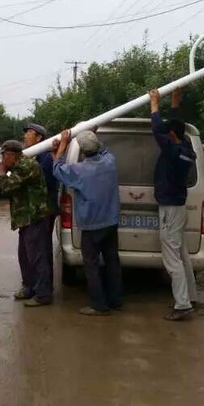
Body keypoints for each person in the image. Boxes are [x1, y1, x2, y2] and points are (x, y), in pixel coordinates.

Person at [52, 130, 122, 316]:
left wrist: (62, 146)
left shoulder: (79, 170)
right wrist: (94, 133)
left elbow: (57, 168)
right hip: (110, 222)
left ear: (82, 151)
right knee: (112, 262)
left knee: (91, 266)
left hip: (91, 226)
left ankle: (99, 305)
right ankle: (115, 300)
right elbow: (104, 150)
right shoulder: (110, 162)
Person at [149, 88, 198, 321]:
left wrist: (154, 104)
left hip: (170, 209)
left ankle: (182, 305)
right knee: (182, 254)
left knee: (172, 258)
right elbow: (175, 124)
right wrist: (175, 101)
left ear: (171, 136)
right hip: (178, 208)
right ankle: (191, 296)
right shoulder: (186, 150)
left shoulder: (171, 151)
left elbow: (157, 128)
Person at [0, 140, 52, 307]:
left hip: (35, 217)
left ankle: (43, 294)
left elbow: (8, 187)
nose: (2, 159)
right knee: (25, 256)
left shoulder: (27, 166)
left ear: (11, 155)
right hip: (25, 219)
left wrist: (2, 173)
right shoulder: (16, 167)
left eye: (4, 155)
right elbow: (5, 185)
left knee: (37, 257)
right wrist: (1, 175)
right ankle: (29, 287)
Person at [22, 123, 59, 287]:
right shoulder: (29, 155)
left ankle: (42, 289)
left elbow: (27, 178)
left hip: (42, 212)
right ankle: (29, 285)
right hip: (28, 212)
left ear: (39, 138)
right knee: (26, 251)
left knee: (40, 251)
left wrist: (7, 172)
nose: (25, 136)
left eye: (29, 133)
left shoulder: (45, 158)